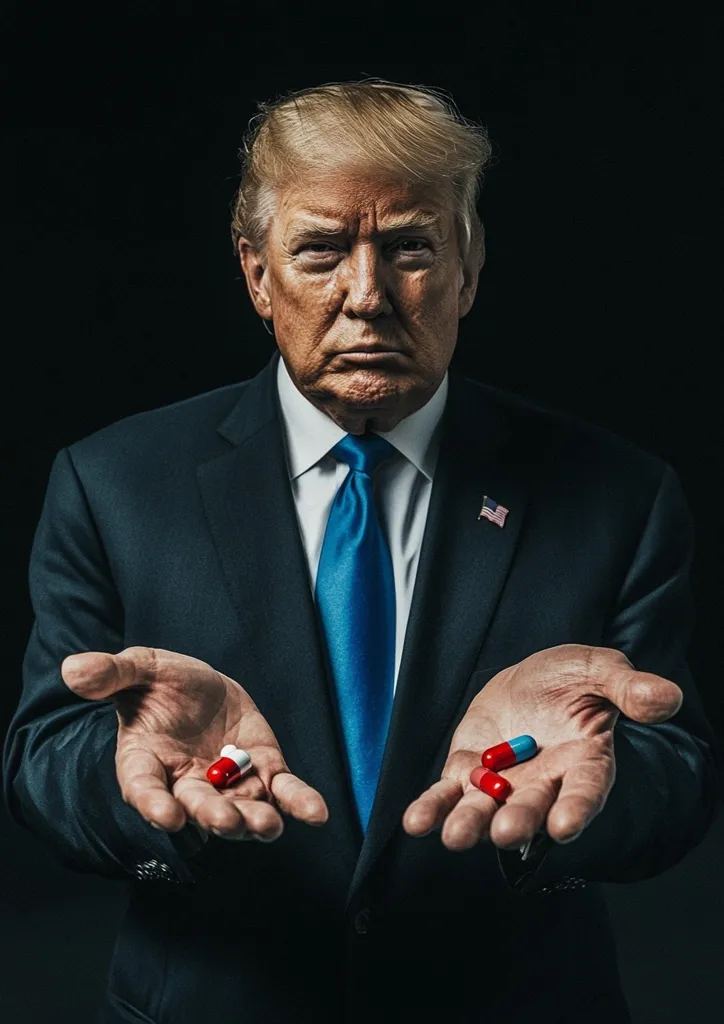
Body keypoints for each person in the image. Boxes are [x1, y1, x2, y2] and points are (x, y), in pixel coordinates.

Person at [3, 78, 720, 1024]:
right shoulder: (112, 485)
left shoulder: (621, 494)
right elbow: (43, 755)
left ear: (468, 271)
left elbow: (678, 773)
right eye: (321, 251)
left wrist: (595, 782)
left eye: (412, 247)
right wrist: (132, 780)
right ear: (258, 275)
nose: (368, 296)